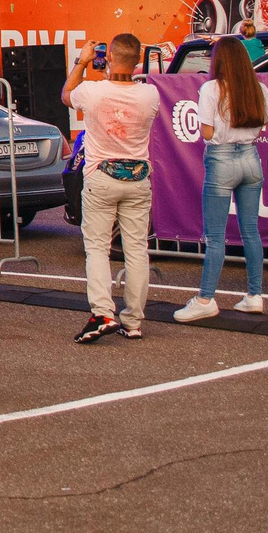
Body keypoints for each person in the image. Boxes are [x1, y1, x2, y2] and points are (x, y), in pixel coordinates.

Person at [65, 33, 163, 343]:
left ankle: (103, 313)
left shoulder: (92, 91)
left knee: (97, 248)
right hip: (137, 179)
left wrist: (82, 62)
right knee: (136, 251)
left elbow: (67, 94)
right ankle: (132, 321)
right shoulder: (150, 95)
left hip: (101, 178)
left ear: (108, 58)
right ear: (137, 62)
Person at [174, 38, 268, 323]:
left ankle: (205, 298)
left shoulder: (211, 88)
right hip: (251, 158)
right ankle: (254, 295)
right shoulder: (259, 88)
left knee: (216, 235)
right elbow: (263, 123)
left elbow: (206, 132)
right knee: (250, 230)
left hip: (222, 158)